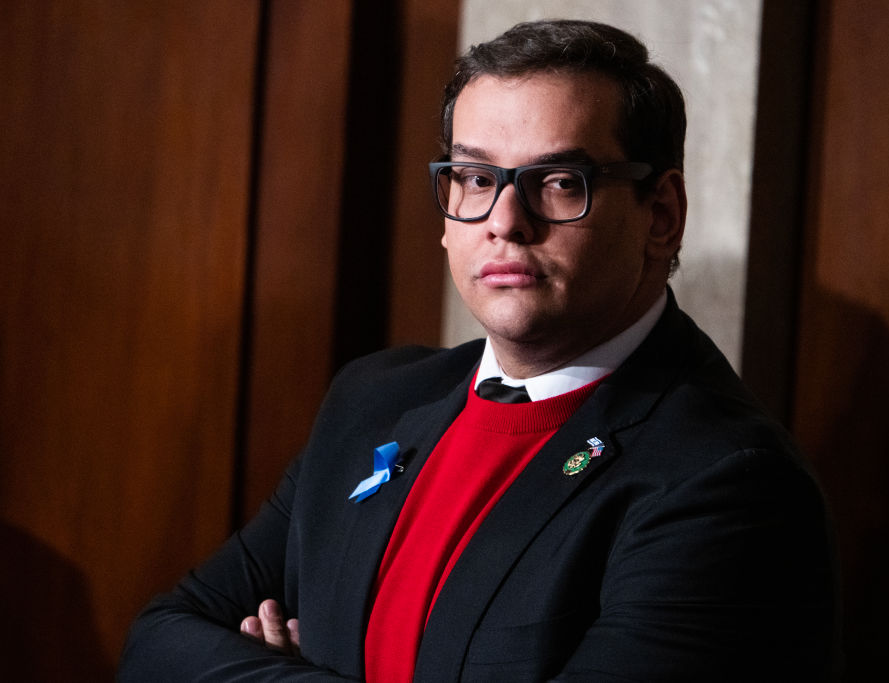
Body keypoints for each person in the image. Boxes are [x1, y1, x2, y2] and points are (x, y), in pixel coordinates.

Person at [120, 19, 838, 682]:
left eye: (560, 183)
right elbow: (157, 643)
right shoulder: (373, 400)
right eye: (476, 178)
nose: (505, 221)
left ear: (661, 214)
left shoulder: (724, 481)